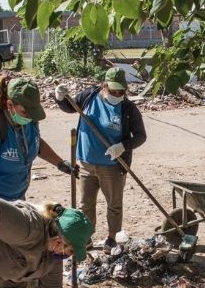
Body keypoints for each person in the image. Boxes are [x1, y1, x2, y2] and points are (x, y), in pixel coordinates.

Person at [55, 68, 147, 253]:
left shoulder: (128, 108)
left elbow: (140, 136)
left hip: (113, 167)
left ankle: (112, 238)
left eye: (121, 91)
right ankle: (86, 237)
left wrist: (122, 146)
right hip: (86, 164)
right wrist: (60, 97)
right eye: (113, 91)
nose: (118, 94)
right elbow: (69, 107)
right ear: (104, 86)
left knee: (114, 204)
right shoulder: (89, 96)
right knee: (85, 204)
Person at [0, 76, 76, 213]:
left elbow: (35, 142)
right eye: (25, 112)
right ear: (9, 104)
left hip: (13, 197)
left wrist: (60, 163)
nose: (30, 117)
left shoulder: (27, 118)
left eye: (32, 112)